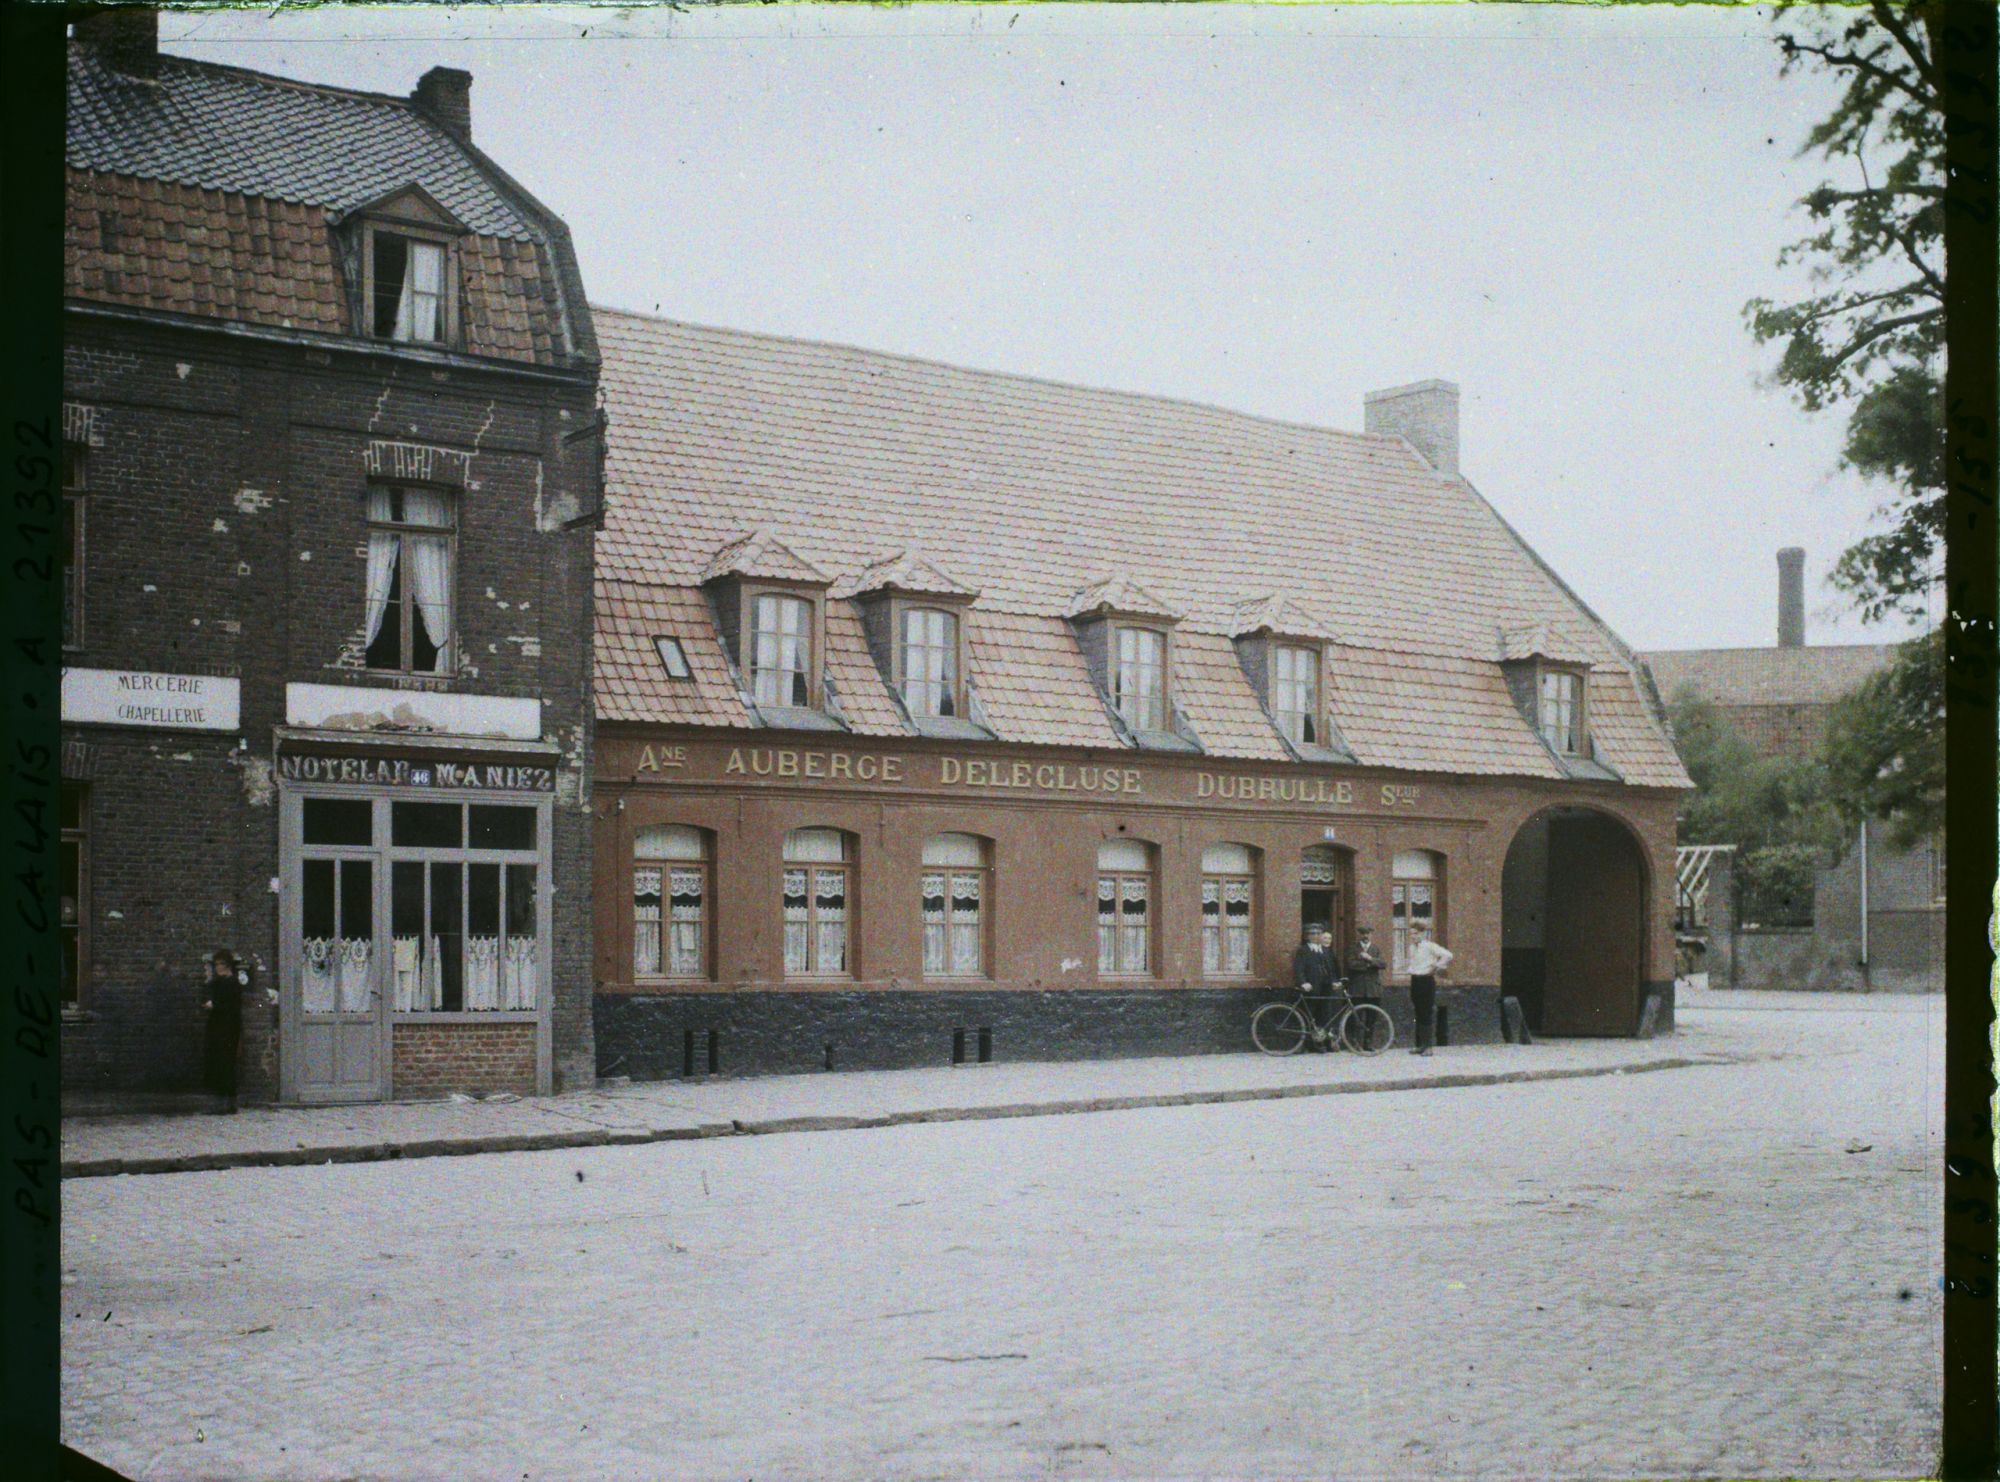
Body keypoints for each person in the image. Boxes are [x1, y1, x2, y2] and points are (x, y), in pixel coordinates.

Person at [201, 949, 245, 1114]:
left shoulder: (232, 984)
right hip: (217, 1028)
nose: (218, 967)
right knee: (217, 1064)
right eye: (216, 964)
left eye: (221, 964)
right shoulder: (218, 983)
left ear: (227, 966)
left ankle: (228, 1103)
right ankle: (221, 1102)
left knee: (227, 1064)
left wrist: (215, 1006)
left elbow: (232, 1008)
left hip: (228, 1029)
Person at [1406, 926, 1454, 1057]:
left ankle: (1428, 1047)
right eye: (1411, 934)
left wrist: (1437, 967)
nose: (1413, 936)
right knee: (1418, 1012)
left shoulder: (1429, 946)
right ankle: (1420, 1045)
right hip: (1415, 980)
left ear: (1422, 934)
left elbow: (1448, 955)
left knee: (1426, 1012)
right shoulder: (1411, 948)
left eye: (1416, 933)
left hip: (1426, 981)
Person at [1344, 925, 1388, 1051]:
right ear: (1359, 935)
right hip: (1357, 988)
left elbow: (1383, 964)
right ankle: (1355, 1043)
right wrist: (1369, 965)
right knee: (1356, 1017)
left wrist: (1369, 959)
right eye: (1363, 933)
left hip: (1373, 989)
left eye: (1368, 933)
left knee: (1371, 1017)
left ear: (1371, 935)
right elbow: (1351, 965)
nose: (1365, 936)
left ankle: (1367, 1043)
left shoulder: (1376, 949)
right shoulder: (1353, 948)